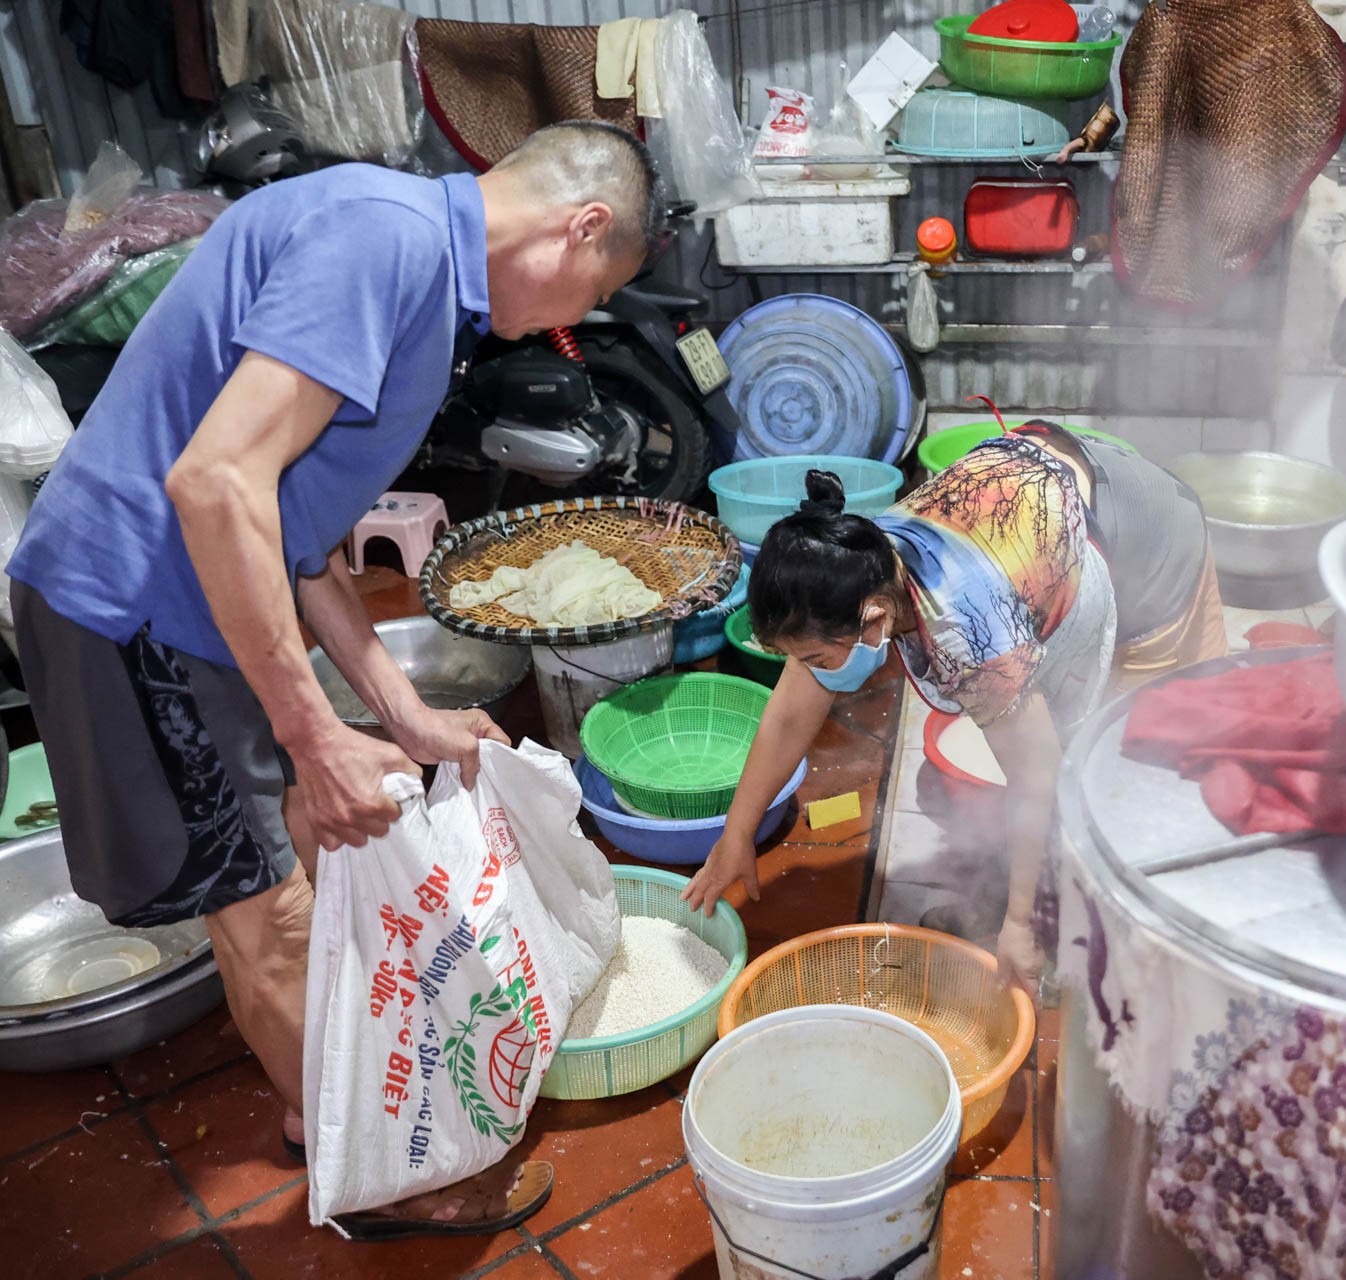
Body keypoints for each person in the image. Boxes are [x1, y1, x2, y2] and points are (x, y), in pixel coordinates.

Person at [7, 121, 659, 1240]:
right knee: (273, 915)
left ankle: (324, 1110)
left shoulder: (410, 263)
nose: (567, 323)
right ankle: (392, 1179)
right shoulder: (383, 242)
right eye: (595, 287)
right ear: (582, 227)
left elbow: (298, 536)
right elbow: (217, 485)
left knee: (275, 877)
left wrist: (402, 711)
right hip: (138, 608)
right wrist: (313, 736)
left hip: (172, 601)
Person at [682, 424, 1227, 989]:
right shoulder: (849, 565)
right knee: (1065, 747)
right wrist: (736, 835)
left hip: (1152, 540)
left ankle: (1103, 950)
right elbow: (790, 713)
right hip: (1057, 493)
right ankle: (1035, 898)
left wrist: (1018, 923)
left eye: (818, 657)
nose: (812, 670)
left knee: (1129, 761)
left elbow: (1036, 775)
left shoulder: (972, 633)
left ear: (874, 621)